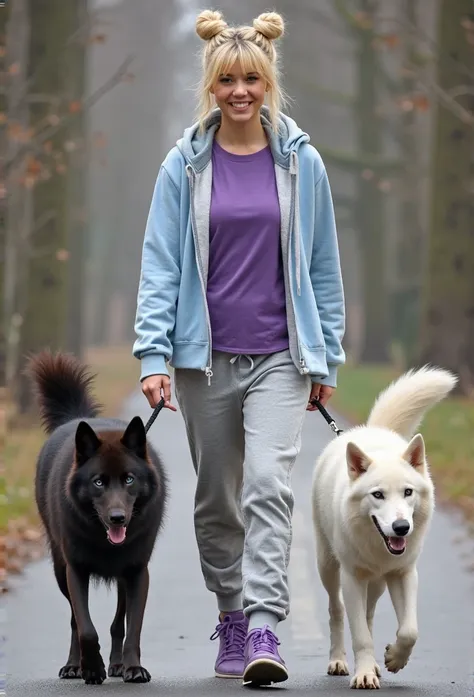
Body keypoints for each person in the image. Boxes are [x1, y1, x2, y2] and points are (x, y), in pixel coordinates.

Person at [133, 9, 345, 687]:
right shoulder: (184, 165)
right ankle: (229, 613)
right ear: (212, 86)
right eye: (227, 80)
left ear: (268, 81)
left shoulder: (301, 162)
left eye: (252, 77)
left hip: (282, 357)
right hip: (203, 359)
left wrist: (326, 357)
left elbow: (323, 268)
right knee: (217, 498)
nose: (240, 91)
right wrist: (152, 356)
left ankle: (264, 626)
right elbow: (160, 263)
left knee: (266, 486)